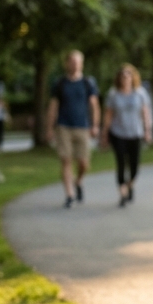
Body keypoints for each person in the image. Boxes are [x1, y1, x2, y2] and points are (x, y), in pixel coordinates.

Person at [46, 50, 100, 209]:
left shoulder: (87, 83)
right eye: (72, 61)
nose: (75, 64)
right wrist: (49, 128)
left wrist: (95, 125)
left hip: (82, 126)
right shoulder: (60, 83)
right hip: (63, 126)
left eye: (78, 61)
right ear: (67, 63)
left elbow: (94, 105)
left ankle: (78, 181)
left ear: (81, 64)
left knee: (83, 162)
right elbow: (53, 106)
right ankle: (69, 194)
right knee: (66, 160)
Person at [102, 63, 152, 207]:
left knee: (135, 167)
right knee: (121, 164)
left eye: (128, 75)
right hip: (118, 133)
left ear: (133, 77)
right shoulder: (113, 94)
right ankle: (123, 193)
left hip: (135, 133)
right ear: (119, 78)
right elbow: (108, 115)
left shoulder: (140, 93)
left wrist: (147, 130)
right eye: (123, 76)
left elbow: (145, 113)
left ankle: (130, 185)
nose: (125, 78)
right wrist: (105, 133)